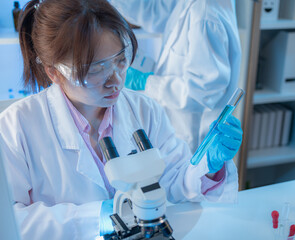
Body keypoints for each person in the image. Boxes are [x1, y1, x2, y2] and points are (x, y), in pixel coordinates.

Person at [0, 0, 243, 239]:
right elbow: (10, 219)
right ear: (54, 72)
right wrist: (97, 216)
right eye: (95, 69)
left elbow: (174, 182)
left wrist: (209, 167)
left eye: (120, 60)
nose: (115, 80)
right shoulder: (16, 126)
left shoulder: (144, 109)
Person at [111, 0, 241, 153]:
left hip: (191, 139)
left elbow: (202, 94)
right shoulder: (191, 5)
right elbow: (156, 15)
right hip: (177, 133)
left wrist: (146, 83)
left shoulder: (205, 15)